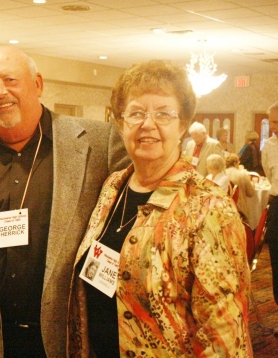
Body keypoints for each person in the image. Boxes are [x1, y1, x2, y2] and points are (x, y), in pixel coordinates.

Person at [0, 46, 129, 358]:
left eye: (10, 80)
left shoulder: (99, 143)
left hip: (71, 335)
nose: (0, 92)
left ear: (38, 84)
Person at [67, 60, 251, 357]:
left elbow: (223, 334)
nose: (147, 124)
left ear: (182, 126)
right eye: (136, 113)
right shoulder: (112, 187)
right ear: (121, 122)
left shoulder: (209, 207)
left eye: (163, 113)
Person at [262, 101, 278, 304]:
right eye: (271, 122)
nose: (273, 126)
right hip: (277, 207)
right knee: (276, 260)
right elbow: (269, 174)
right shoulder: (269, 146)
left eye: (277, 122)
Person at [225, 153, 255, 221]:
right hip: (240, 210)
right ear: (235, 163)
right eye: (238, 162)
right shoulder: (242, 174)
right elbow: (251, 193)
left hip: (226, 208)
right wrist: (252, 185)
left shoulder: (222, 173)